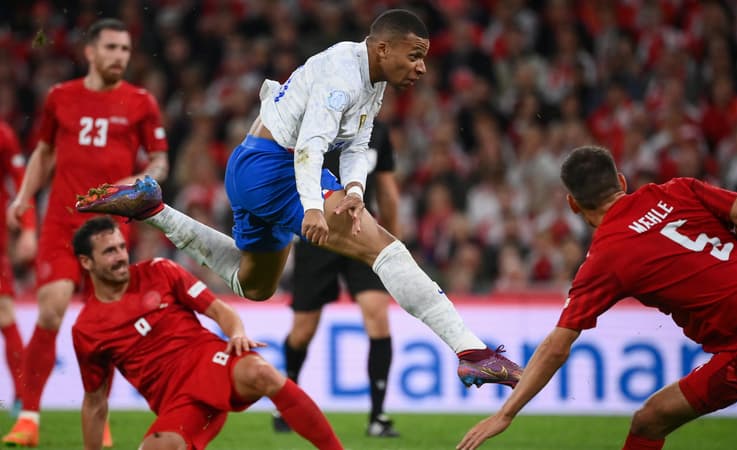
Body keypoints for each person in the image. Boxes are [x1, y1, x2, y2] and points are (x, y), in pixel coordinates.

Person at [77, 9, 522, 389]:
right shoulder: (343, 78)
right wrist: (313, 206)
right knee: (386, 249)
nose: (422, 68)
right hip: (276, 168)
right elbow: (310, 147)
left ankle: (155, 209)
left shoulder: (372, 76)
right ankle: (471, 350)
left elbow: (356, 145)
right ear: (383, 48)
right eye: (415, 55)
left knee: (252, 286)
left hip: (254, 166)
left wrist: (352, 192)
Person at [457, 145, 737, 450]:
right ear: (621, 181)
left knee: (649, 422)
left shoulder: (606, 258)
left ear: (573, 204)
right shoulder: (677, 189)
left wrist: (506, 413)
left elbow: (556, 346)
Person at [3, 18, 169, 447]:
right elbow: (43, 152)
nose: (120, 57)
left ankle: (99, 414)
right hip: (61, 220)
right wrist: (23, 198)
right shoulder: (61, 98)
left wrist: (143, 181)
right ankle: (31, 416)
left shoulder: (141, 102)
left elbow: (159, 160)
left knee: (104, 326)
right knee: (51, 309)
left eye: (126, 50)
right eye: (112, 48)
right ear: (91, 52)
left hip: (110, 228)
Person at [71, 216, 343, 450]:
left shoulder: (160, 271)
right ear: (86, 262)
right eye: (109, 251)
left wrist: (236, 333)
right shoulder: (87, 329)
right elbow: (95, 403)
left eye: (121, 247)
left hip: (209, 362)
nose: (120, 257)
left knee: (262, 373)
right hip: (177, 402)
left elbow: (220, 311)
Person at [273, 120, 401, 437]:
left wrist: (393, 245)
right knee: (302, 331)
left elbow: (386, 189)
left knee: (378, 316)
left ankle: (377, 417)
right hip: (317, 235)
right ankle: (286, 404)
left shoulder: (378, 129)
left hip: (362, 232)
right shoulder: (314, 123)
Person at [0, 120, 37, 417]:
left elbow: (21, 182)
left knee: (4, 313)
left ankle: (23, 398)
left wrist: (27, 228)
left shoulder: (4, 135)